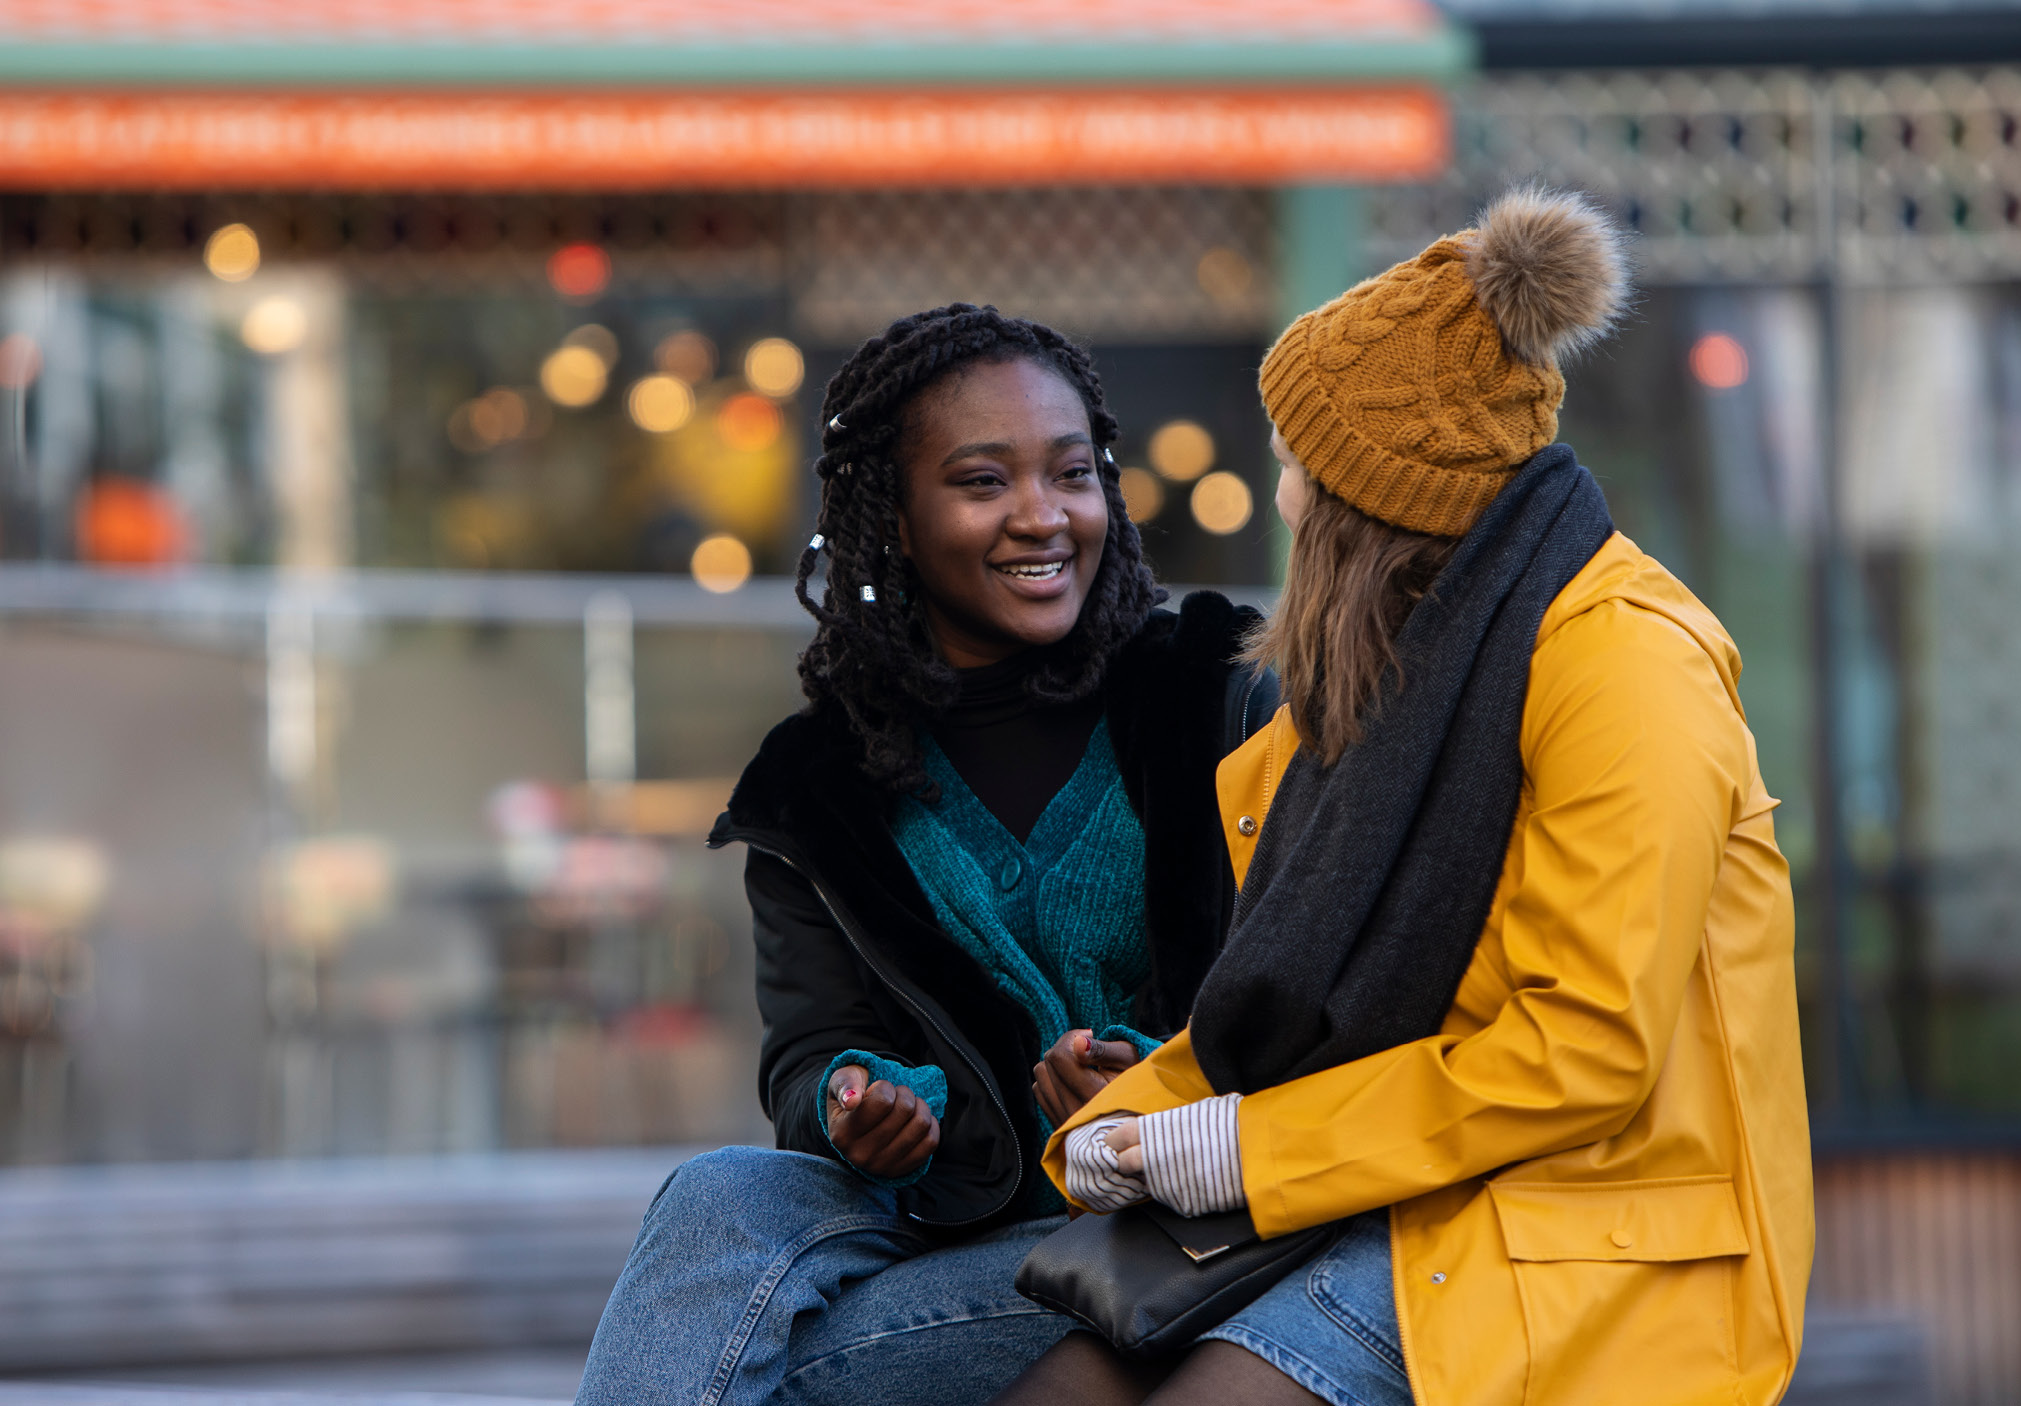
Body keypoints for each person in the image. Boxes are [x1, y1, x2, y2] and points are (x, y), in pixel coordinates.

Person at [996, 188, 1814, 1406]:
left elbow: (1580, 1049)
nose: (1277, 501)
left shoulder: (1627, 667)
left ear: (1373, 502)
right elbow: (1295, 1004)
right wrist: (1119, 1124)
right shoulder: (1403, 669)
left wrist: (1240, 1150)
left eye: (1294, 469)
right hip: (1402, 1199)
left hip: (1586, 1238)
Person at [574, 304, 1272, 1406]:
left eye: (1072, 473)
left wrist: (1155, 1085)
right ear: (893, 517)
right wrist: (858, 1105)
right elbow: (810, 1059)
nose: (1042, 517)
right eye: (983, 481)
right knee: (720, 1196)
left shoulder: (1222, 699)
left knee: (759, 1366)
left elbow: (1320, 1003)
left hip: (1186, 1231)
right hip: (950, 1232)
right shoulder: (818, 789)